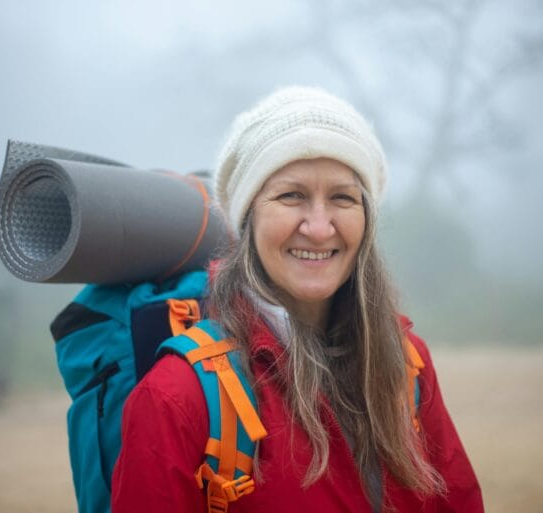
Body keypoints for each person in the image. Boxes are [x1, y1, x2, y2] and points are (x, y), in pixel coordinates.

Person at [111, 86, 483, 512]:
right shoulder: (178, 396)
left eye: (343, 197)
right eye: (291, 195)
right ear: (248, 219)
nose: (320, 228)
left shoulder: (407, 365)